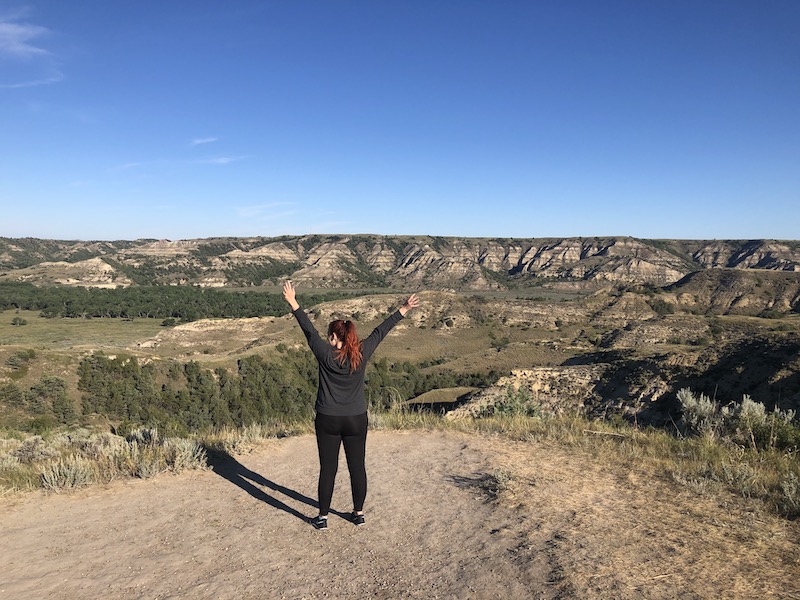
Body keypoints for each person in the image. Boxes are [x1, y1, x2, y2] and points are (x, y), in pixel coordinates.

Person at [282, 280, 420, 530]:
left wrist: (293, 302)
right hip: (356, 417)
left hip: (328, 418)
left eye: (329, 336)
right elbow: (381, 331)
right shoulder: (362, 352)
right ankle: (358, 513)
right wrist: (404, 309)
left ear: (334, 337)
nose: (326, 338)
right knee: (357, 467)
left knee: (328, 469)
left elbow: (308, 330)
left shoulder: (324, 353)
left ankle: (322, 517)